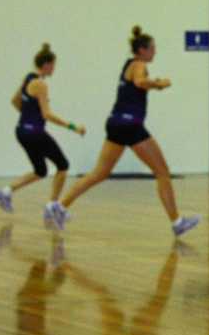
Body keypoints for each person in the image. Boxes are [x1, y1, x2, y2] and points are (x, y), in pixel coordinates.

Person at [47, 26, 199, 236]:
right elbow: (139, 82)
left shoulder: (129, 64)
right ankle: (177, 222)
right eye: (153, 48)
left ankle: (61, 206)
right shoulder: (139, 65)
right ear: (142, 50)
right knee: (162, 172)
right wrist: (159, 83)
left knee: (99, 173)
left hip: (115, 123)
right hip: (130, 125)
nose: (155, 52)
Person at [0, 43, 86, 214]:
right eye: (53, 65)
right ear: (46, 65)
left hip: (21, 131)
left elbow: (15, 100)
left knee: (40, 171)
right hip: (34, 133)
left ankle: (4, 192)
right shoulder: (41, 84)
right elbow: (47, 115)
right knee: (63, 165)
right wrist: (73, 127)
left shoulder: (28, 78)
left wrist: (29, 115)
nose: (54, 69)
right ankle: (52, 206)